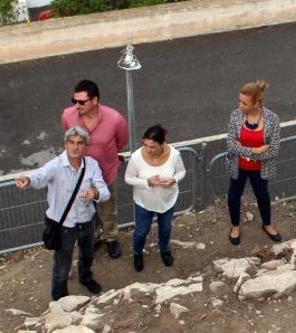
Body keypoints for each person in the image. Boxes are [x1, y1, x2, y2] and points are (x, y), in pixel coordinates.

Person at [15, 126, 110, 301]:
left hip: (87, 220)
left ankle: (86, 278)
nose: (75, 147)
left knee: (87, 254)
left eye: (80, 143)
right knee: (62, 264)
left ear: (86, 146)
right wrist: (28, 179)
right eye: (71, 143)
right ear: (65, 144)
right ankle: (59, 297)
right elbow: (40, 175)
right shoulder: (55, 165)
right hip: (64, 224)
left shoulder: (92, 165)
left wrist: (95, 193)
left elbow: (105, 192)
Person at [61, 79, 128, 258]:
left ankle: (111, 238)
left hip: (107, 174)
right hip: (81, 177)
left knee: (109, 209)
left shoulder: (114, 119)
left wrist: (108, 156)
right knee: (88, 210)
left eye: (81, 102)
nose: (77, 105)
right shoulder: (68, 116)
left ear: (95, 100)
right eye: (74, 101)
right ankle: (96, 235)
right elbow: (69, 139)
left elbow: (121, 141)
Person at [226, 80, 282, 245]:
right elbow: (230, 144)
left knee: (262, 196)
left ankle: (267, 224)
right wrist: (255, 151)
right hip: (238, 166)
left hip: (260, 169)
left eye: (244, 102)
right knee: (233, 196)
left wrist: (243, 149)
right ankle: (235, 226)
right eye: (239, 101)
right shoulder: (236, 115)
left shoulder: (272, 119)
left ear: (257, 103)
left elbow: (274, 150)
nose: (240, 105)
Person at [124, 125, 186, 272]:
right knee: (141, 232)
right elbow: (128, 178)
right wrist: (147, 182)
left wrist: (174, 180)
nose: (147, 149)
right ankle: (137, 254)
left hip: (167, 200)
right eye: (145, 144)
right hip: (144, 202)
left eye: (152, 147)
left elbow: (181, 172)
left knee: (165, 229)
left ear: (162, 144)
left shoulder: (174, 155)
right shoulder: (137, 158)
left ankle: (164, 250)